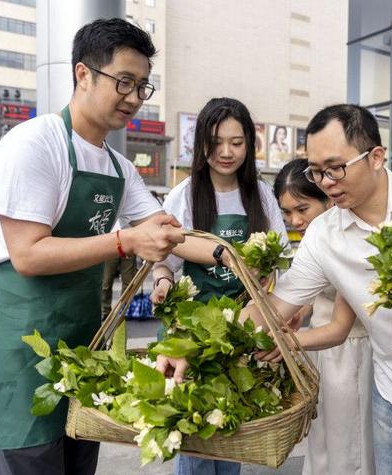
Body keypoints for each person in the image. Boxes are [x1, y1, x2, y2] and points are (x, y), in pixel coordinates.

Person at [161, 104, 392, 474]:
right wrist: (194, 348)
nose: (326, 182)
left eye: (335, 168)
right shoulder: (324, 235)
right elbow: (272, 307)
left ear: (377, 157)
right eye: (316, 172)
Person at [0, 18, 185, 475]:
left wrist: (224, 255)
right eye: (123, 81)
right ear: (82, 73)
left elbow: (158, 228)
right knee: (31, 462)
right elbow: (27, 254)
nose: (133, 97)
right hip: (21, 343)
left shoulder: (120, 168)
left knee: (80, 458)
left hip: (81, 344)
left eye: (142, 86)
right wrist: (125, 240)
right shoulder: (34, 145)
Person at [151, 97, 287, 475]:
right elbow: (164, 258)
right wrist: (162, 281)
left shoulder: (260, 195)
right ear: (201, 144)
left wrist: (268, 281)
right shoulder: (185, 194)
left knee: (231, 429)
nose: (226, 152)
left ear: (250, 145)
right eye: (216, 142)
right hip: (194, 333)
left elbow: (281, 259)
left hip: (243, 329)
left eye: (237, 142)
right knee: (195, 435)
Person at [271, 158, 375, 475]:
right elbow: (313, 296)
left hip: (349, 355)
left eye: (302, 209)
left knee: (349, 449)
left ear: (328, 198)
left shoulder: (346, 241)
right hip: (318, 351)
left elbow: (340, 328)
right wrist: (299, 311)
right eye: (287, 213)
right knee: (322, 443)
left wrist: (284, 342)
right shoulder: (317, 239)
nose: (295, 220)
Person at [101, 221, 137, 318]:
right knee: (106, 282)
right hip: (110, 243)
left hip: (129, 242)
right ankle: (105, 311)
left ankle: (124, 310)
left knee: (129, 281)